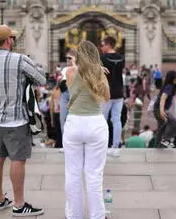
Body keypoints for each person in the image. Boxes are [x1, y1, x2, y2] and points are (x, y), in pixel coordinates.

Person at [0, 25, 46, 216]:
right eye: (13, 38)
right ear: (9, 40)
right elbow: (41, 79)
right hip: (16, 120)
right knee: (18, 160)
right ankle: (19, 204)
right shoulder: (19, 60)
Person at [64, 40, 111, 219]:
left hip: (74, 123)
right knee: (94, 175)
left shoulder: (69, 72)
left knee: (73, 172)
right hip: (95, 124)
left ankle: (74, 215)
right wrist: (100, 72)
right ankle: (97, 215)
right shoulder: (100, 73)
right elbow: (106, 98)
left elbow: (74, 76)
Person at [100, 36, 125, 157]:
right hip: (119, 93)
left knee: (102, 120)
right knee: (117, 120)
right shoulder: (121, 58)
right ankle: (116, 147)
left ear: (108, 45)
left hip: (106, 93)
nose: (101, 47)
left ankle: (103, 146)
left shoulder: (103, 58)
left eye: (103, 44)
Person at [152, 71, 176, 148]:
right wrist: (162, 110)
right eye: (175, 78)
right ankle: (165, 140)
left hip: (159, 109)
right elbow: (163, 98)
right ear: (171, 79)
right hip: (159, 109)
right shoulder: (169, 86)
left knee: (161, 128)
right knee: (175, 124)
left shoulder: (169, 86)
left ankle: (158, 146)